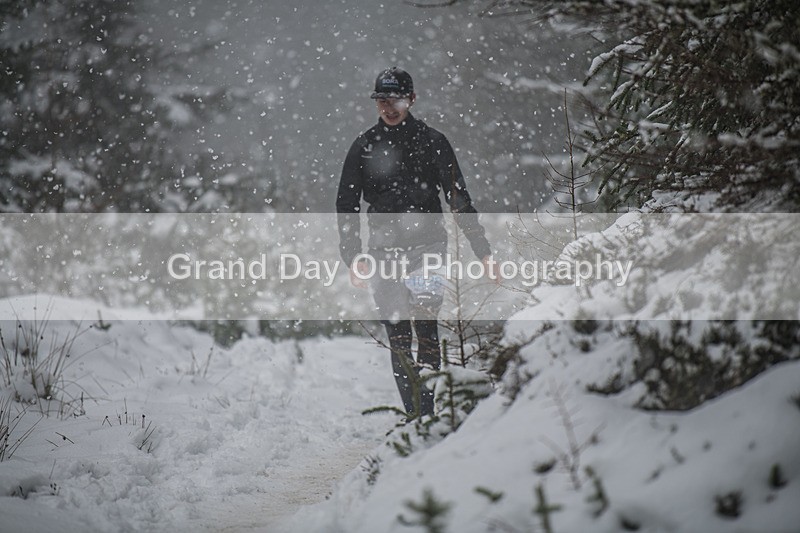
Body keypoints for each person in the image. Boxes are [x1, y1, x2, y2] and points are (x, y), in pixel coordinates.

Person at [336, 67, 496, 418]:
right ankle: (416, 417)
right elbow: (346, 204)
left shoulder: (432, 141)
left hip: (428, 249)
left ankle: (428, 415)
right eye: (382, 100)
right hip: (383, 253)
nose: (389, 106)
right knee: (398, 337)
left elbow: (458, 197)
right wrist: (353, 255)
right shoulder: (364, 146)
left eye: (395, 99)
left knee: (425, 328)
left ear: (411, 99)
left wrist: (481, 249)